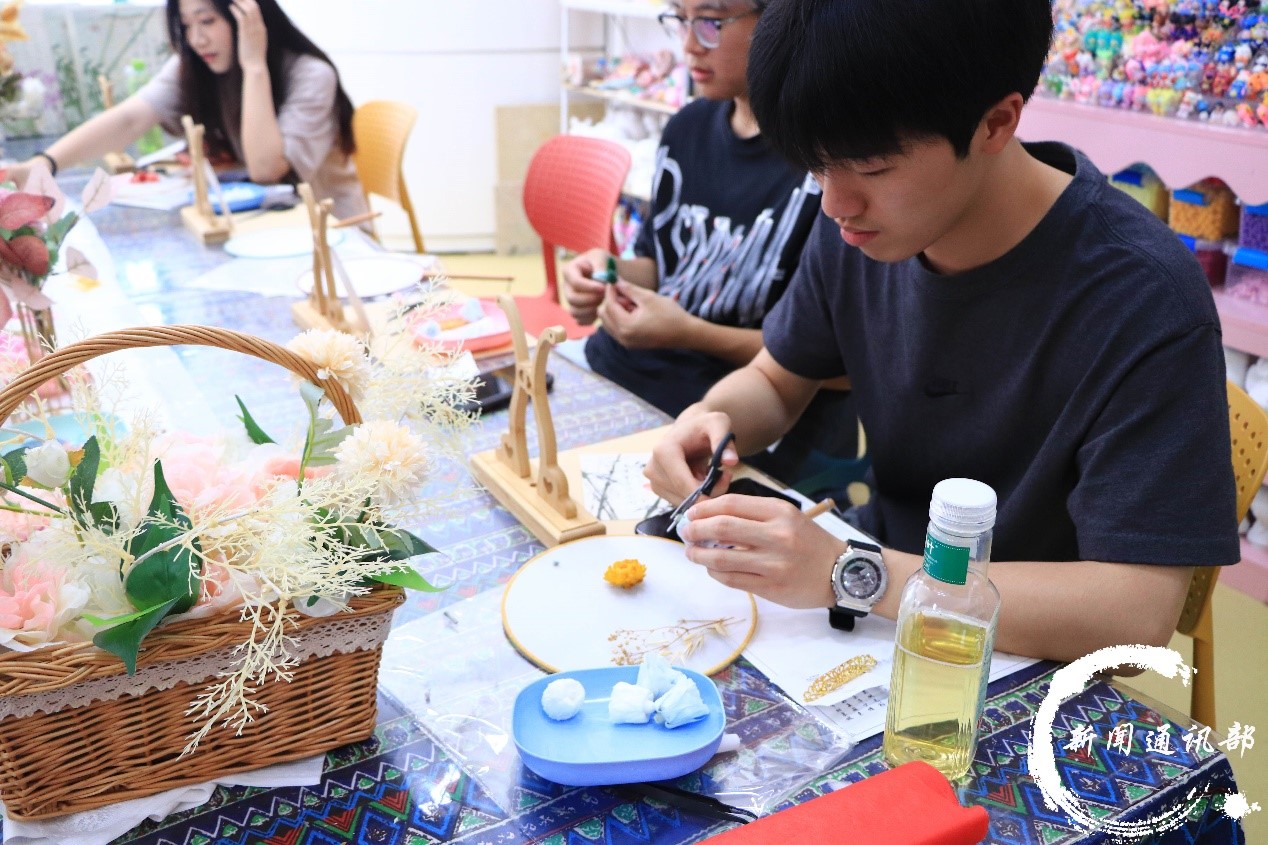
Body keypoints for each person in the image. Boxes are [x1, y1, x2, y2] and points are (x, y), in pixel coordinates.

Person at [644, 0, 1240, 663]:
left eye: (872, 167)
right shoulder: (859, 227)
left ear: (997, 122)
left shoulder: (1142, 295)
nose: (837, 204)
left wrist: (850, 571)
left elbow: (1134, 611)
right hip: (878, 609)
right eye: (816, 166)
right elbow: (777, 379)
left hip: (1027, 657)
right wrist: (712, 419)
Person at [561, 0, 824, 422]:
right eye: (680, 20)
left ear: (778, 18)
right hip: (611, 365)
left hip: (715, 409)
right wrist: (605, 271)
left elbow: (829, 363)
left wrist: (689, 334)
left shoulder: (823, 163)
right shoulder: (688, 126)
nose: (688, 45)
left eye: (710, 22)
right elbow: (662, 265)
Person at [6, 0, 366, 221]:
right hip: (263, 223)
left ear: (250, 16)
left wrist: (254, 65)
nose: (196, 39)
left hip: (332, 233)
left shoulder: (310, 75)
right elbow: (131, 118)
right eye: (187, 25)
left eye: (207, 21)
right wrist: (44, 163)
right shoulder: (197, 65)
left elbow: (266, 169)